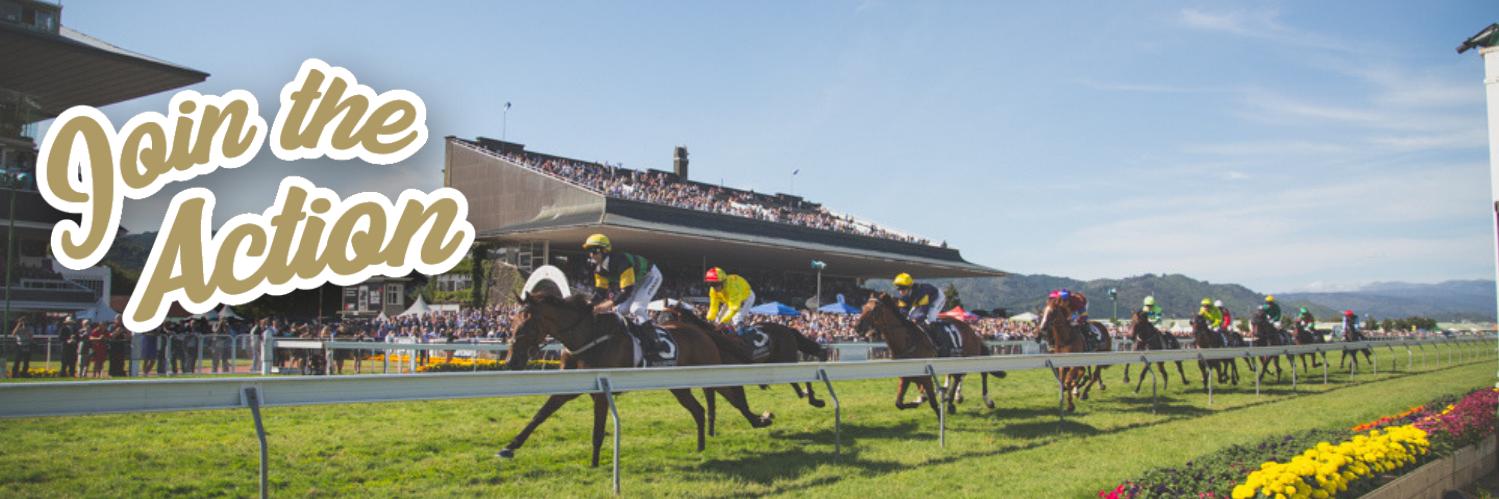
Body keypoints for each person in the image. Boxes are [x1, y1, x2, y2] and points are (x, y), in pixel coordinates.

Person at [583, 233, 665, 353]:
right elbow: (600, 292)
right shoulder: (598, 270)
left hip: (651, 276)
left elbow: (626, 290)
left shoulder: (621, 261)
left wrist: (609, 303)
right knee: (619, 311)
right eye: (589, 251)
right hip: (637, 281)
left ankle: (656, 342)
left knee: (637, 308)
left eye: (594, 251)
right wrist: (589, 304)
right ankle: (633, 337)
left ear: (604, 251)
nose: (591, 255)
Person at [894, 273, 957, 356]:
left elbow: (923, 312)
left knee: (930, 319)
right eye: (899, 289)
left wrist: (914, 319)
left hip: (937, 298)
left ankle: (940, 344)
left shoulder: (922, 293)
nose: (901, 292)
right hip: (920, 302)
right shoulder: (902, 297)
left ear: (909, 288)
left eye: (903, 289)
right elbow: (902, 311)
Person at [704, 267, 755, 333]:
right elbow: (713, 306)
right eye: (710, 284)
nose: (714, 287)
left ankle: (742, 339)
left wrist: (723, 323)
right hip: (730, 300)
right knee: (718, 320)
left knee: (736, 319)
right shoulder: (713, 290)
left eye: (715, 284)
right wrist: (709, 319)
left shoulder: (732, 287)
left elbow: (734, 308)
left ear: (723, 281)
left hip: (746, 297)